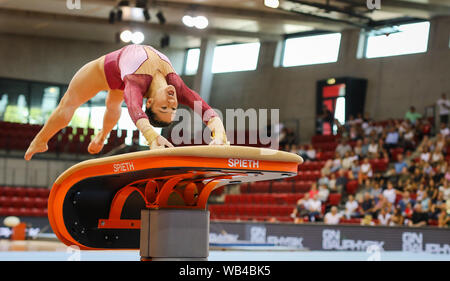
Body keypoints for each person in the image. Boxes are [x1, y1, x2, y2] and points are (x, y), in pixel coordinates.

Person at [24, 44, 228, 160]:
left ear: (148, 103)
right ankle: (41, 140)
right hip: (109, 70)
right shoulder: (177, 85)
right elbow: (208, 111)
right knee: (69, 105)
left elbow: (132, 107)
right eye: (173, 108)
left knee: (109, 105)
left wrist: (151, 137)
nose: (172, 101)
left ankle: (97, 136)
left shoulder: (136, 83)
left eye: (164, 107)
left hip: (103, 73)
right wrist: (219, 133)